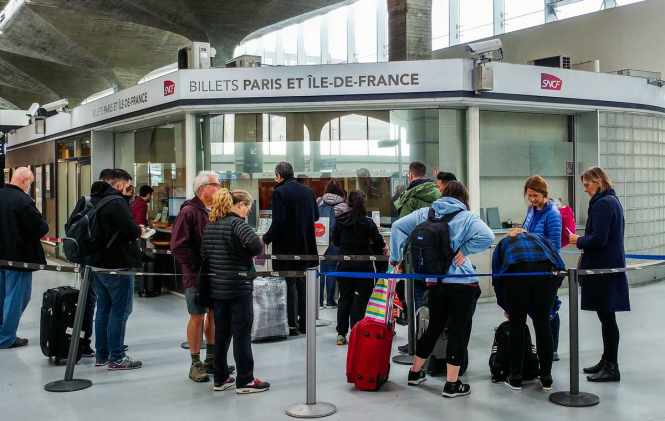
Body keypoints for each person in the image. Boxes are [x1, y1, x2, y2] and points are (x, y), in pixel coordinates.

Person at [392, 181, 494, 398]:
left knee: (434, 327)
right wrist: (464, 250)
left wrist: (396, 258)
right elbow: (488, 236)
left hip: (434, 281)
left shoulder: (426, 213)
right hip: (462, 284)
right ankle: (452, 383)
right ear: (463, 198)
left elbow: (397, 227)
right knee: (459, 330)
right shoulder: (467, 217)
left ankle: (415, 372)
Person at [202, 189, 270, 394]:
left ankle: (220, 378)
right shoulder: (237, 223)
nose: (247, 212)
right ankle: (245, 380)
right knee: (241, 334)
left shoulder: (211, 224)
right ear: (239, 205)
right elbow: (257, 246)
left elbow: (204, 253)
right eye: (247, 208)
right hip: (238, 287)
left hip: (217, 288)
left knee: (221, 334)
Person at [569, 167, 629, 383]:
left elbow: (599, 239)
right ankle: (607, 361)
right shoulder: (611, 201)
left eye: (587, 184)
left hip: (604, 270)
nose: (585, 189)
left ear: (598, 181)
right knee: (606, 318)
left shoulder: (604, 204)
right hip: (607, 268)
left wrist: (578, 240)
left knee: (607, 318)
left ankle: (612, 367)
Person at [491, 232, 566, 391]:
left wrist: (505, 306)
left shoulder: (503, 243)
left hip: (516, 275)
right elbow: (560, 265)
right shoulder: (541, 238)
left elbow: (497, 277)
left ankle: (515, 378)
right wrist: (553, 295)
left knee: (516, 326)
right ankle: (546, 378)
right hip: (544, 275)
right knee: (543, 324)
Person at [171, 171, 223, 382]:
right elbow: (178, 245)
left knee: (213, 314)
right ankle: (195, 362)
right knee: (197, 315)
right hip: (196, 276)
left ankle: (211, 358)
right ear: (203, 188)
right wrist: (196, 267)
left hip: (214, 273)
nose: (220, 188)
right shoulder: (189, 211)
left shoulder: (214, 211)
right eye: (216, 184)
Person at [89, 169, 143, 370]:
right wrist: (139, 230)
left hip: (97, 264)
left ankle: (102, 355)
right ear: (119, 184)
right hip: (117, 264)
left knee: (103, 309)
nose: (128, 189)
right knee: (119, 312)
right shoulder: (116, 202)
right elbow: (130, 230)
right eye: (127, 185)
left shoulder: (93, 199)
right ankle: (117, 357)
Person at [509, 175, 563, 360]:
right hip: (532, 267)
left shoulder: (553, 214)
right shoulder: (531, 210)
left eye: (535, 196)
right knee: (538, 311)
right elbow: (527, 230)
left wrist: (529, 236)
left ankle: (552, 348)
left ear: (544, 194)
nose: (532, 199)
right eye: (529, 195)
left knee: (550, 310)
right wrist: (520, 232)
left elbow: (554, 246)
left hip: (548, 269)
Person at [263, 162, 319, 335]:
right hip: (305, 246)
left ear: (279, 175)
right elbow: (316, 216)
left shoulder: (279, 192)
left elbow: (278, 222)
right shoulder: (308, 191)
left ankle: (292, 325)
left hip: (286, 249)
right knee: (302, 285)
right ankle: (305, 324)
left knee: (288, 285)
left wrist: (266, 238)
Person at [393, 162, 441, 353]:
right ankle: (434, 342)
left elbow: (401, 229)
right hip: (438, 257)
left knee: (418, 299)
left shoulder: (410, 197)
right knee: (436, 300)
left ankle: (419, 343)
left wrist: (399, 260)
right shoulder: (438, 194)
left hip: (416, 257)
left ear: (410, 175)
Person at [0, 167, 49, 349]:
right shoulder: (23, 201)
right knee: (17, 298)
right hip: (19, 259)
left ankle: (3, 332)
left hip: (2, 258)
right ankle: (6, 337)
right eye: (30, 183)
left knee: (3, 296)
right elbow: (40, 228)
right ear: (24, 181)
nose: (30, 187)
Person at [332, 191, 386, 345]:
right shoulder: (368, 223)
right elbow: (379, 243)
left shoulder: (341, 221)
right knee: (360, 300)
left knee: (344, 299)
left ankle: (341, 334)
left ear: (348, 203)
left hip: (344, 266)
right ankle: (357, 331)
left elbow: (335, 242)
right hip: (364, 267)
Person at [316, 179, 350, 308]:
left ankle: (319, 301)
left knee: (320, 269)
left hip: (320, 239)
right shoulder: (343, 205)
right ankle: (330, 300)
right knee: (332, 269)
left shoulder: (319, 201)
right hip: (336, 242)